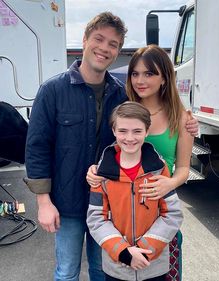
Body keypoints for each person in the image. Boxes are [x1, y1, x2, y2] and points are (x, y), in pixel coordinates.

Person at [24, 12, 128, 281]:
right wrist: (43, 202)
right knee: (67, 272)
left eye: (113, 44)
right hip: (66, 203)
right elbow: (37, 148)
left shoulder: (120, 95)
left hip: (105, 204)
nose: (105, 48)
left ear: (118, 51)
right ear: (84, 40)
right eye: (99, 39)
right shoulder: (52, 91)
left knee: (102, 271)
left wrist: (184, 121)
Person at [86, 45, 194, 281]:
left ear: (165, 77)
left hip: (159, 213)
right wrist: (95, 171)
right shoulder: (123, 110)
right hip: (120, 219)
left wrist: (169, 183)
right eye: (135, 73)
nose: (140, 80)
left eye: (149, 73)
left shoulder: (182, 118)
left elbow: (184, 168)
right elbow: (108, 152)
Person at [87, 101, 183, 281]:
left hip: (153, 266)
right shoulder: (101, 174)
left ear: (147, 131)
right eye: (122, 131)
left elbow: (172, 214)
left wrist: (146, 250)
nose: (129, 138)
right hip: (118, 267)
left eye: (137, 131)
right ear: (114, 131)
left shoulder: (158, 169)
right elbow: (96, 218)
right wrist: (123, 252)